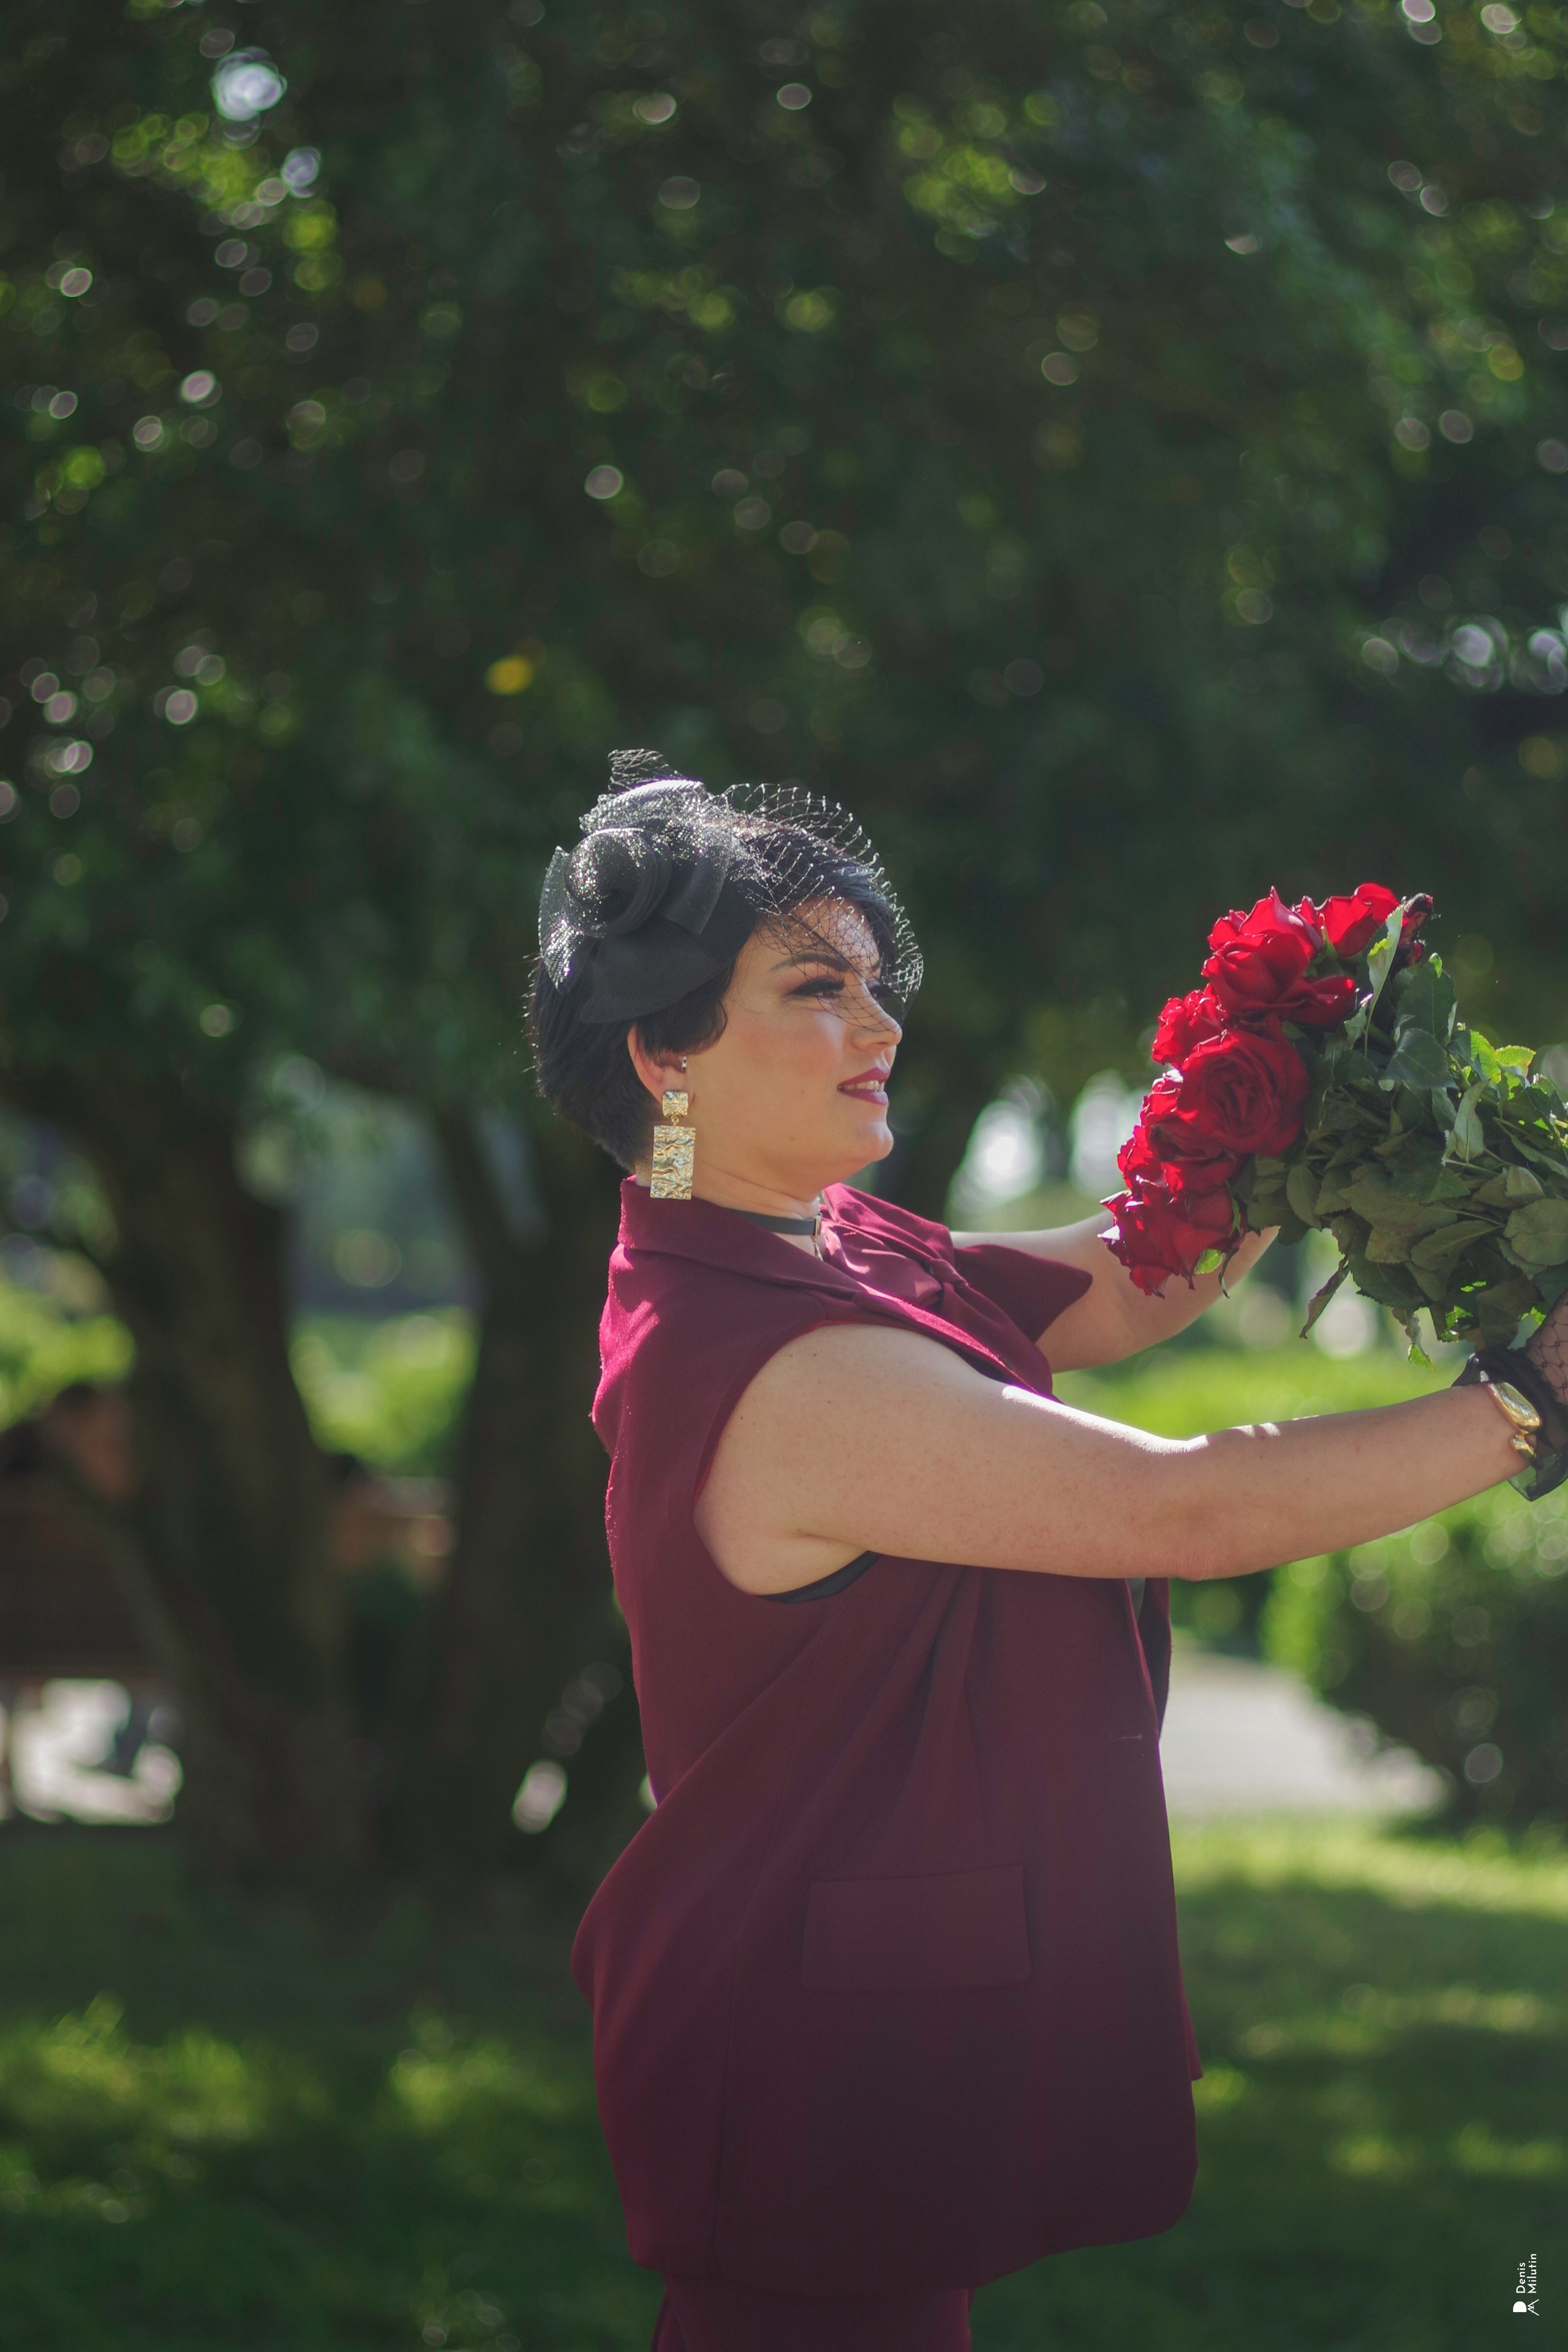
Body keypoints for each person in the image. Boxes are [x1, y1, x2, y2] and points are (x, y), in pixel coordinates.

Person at [528, 755, 1568, 2352]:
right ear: (665, 1056)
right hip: (797, 2060)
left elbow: (1124, 1288)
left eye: (878, 983)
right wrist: (1528, 1400)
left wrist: (1304, 1097)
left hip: (835, 2022)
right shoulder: (778, 1360)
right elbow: (1182, 1511)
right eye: (820, 990)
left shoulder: (809, 1240)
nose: (884, 1028)